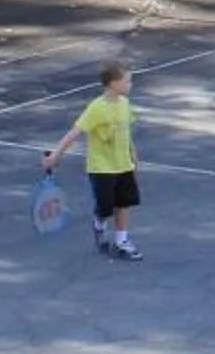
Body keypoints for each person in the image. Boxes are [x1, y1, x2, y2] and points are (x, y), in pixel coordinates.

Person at [44, 61, 144, 259]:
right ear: (113, 84)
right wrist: (56, 156)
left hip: (123, 165)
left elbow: (126, 132)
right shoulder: (96, 108)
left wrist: (133, 154)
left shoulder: (125, 104)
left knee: (123, 204)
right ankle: (99, 223)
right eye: (127, 81)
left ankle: (121, 240)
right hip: (102, 168)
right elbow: (75, 132)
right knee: (105, 207)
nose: (130, 84)